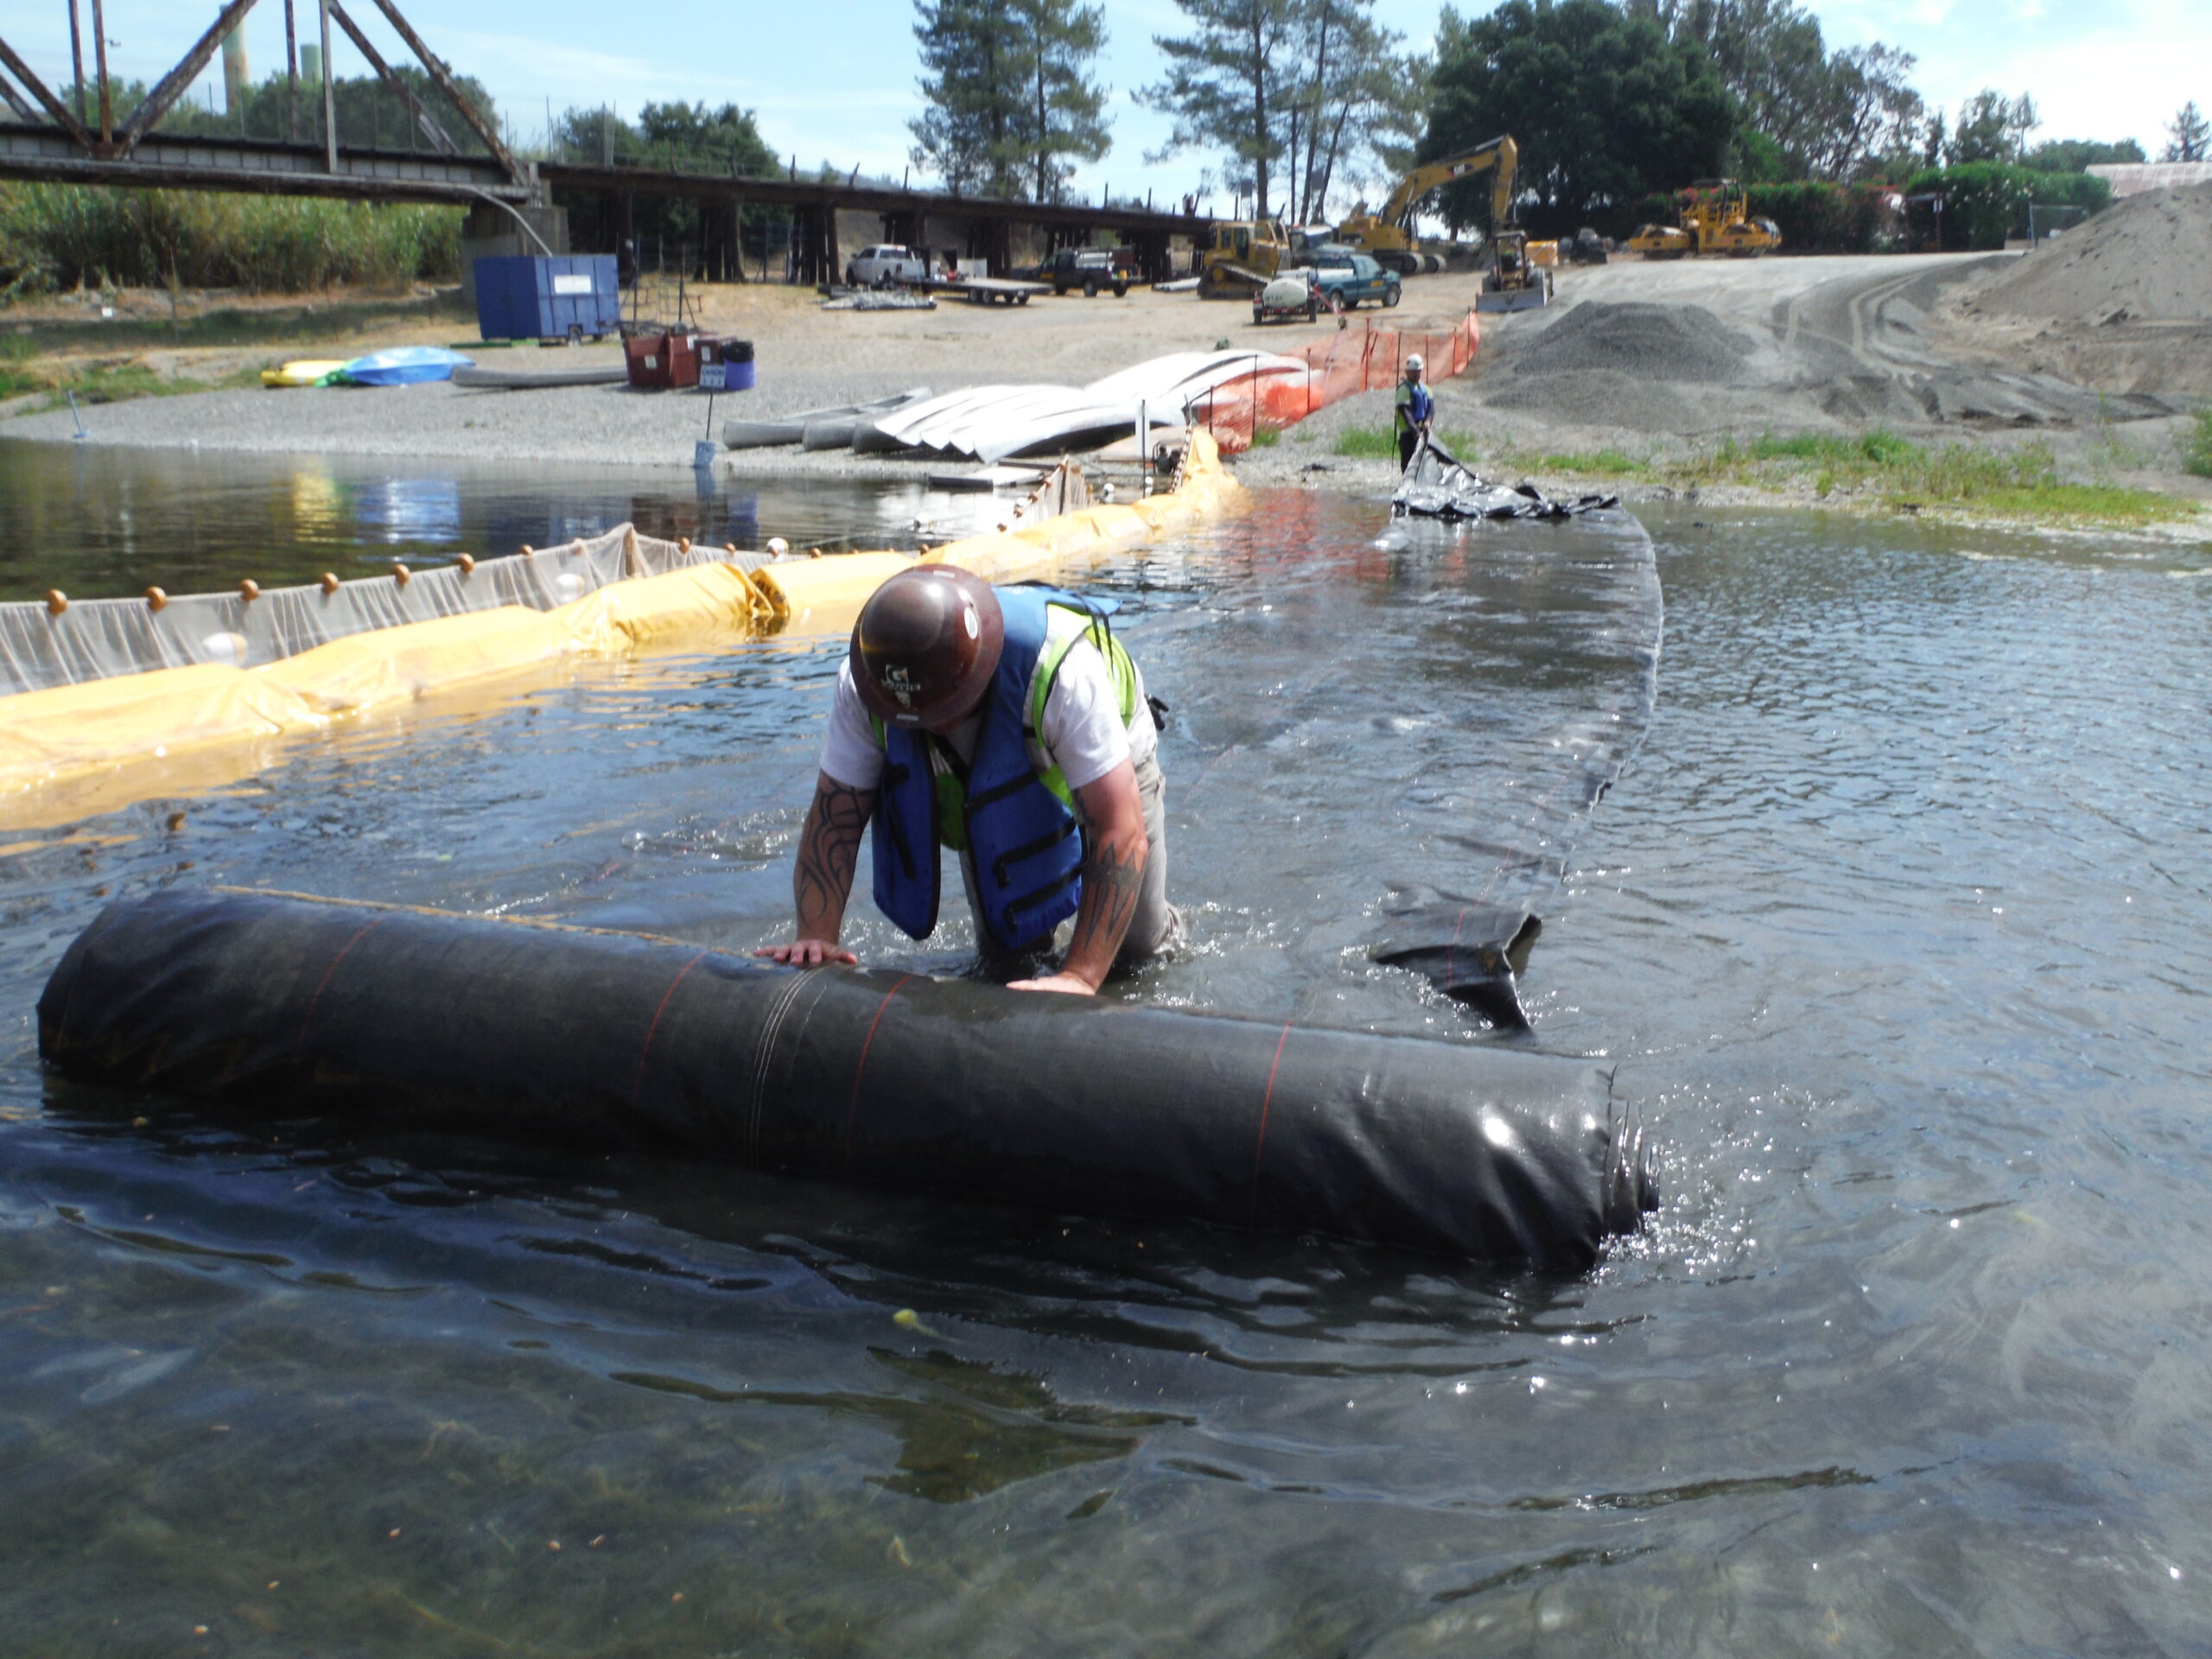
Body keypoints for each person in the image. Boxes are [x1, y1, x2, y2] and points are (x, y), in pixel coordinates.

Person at [758, 567, 1178, 995]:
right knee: (1007, 956)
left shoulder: (1063, 673)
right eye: (914, 717)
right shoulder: (866, 682)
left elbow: (1118, 829)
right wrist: (816, 936)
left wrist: (1080, 977)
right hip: (987, 775)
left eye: (940, 712)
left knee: (1137, 952)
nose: (928, 726)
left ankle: (1162, 930)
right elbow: (835, 818)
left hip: (1112, 747)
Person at [1395, 353, 1434, 471]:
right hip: (1408, 434)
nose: (1416, 374)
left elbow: (1431, 409)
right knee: (1408, 463)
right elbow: (1405, 412)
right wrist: (1415, 432)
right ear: (1407, 372)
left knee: (1423, 463)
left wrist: (1427, 422)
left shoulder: (1426, 389)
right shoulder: (1403, 389)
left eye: (1418, 371)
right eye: (1413, 371)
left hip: (1423, 431)